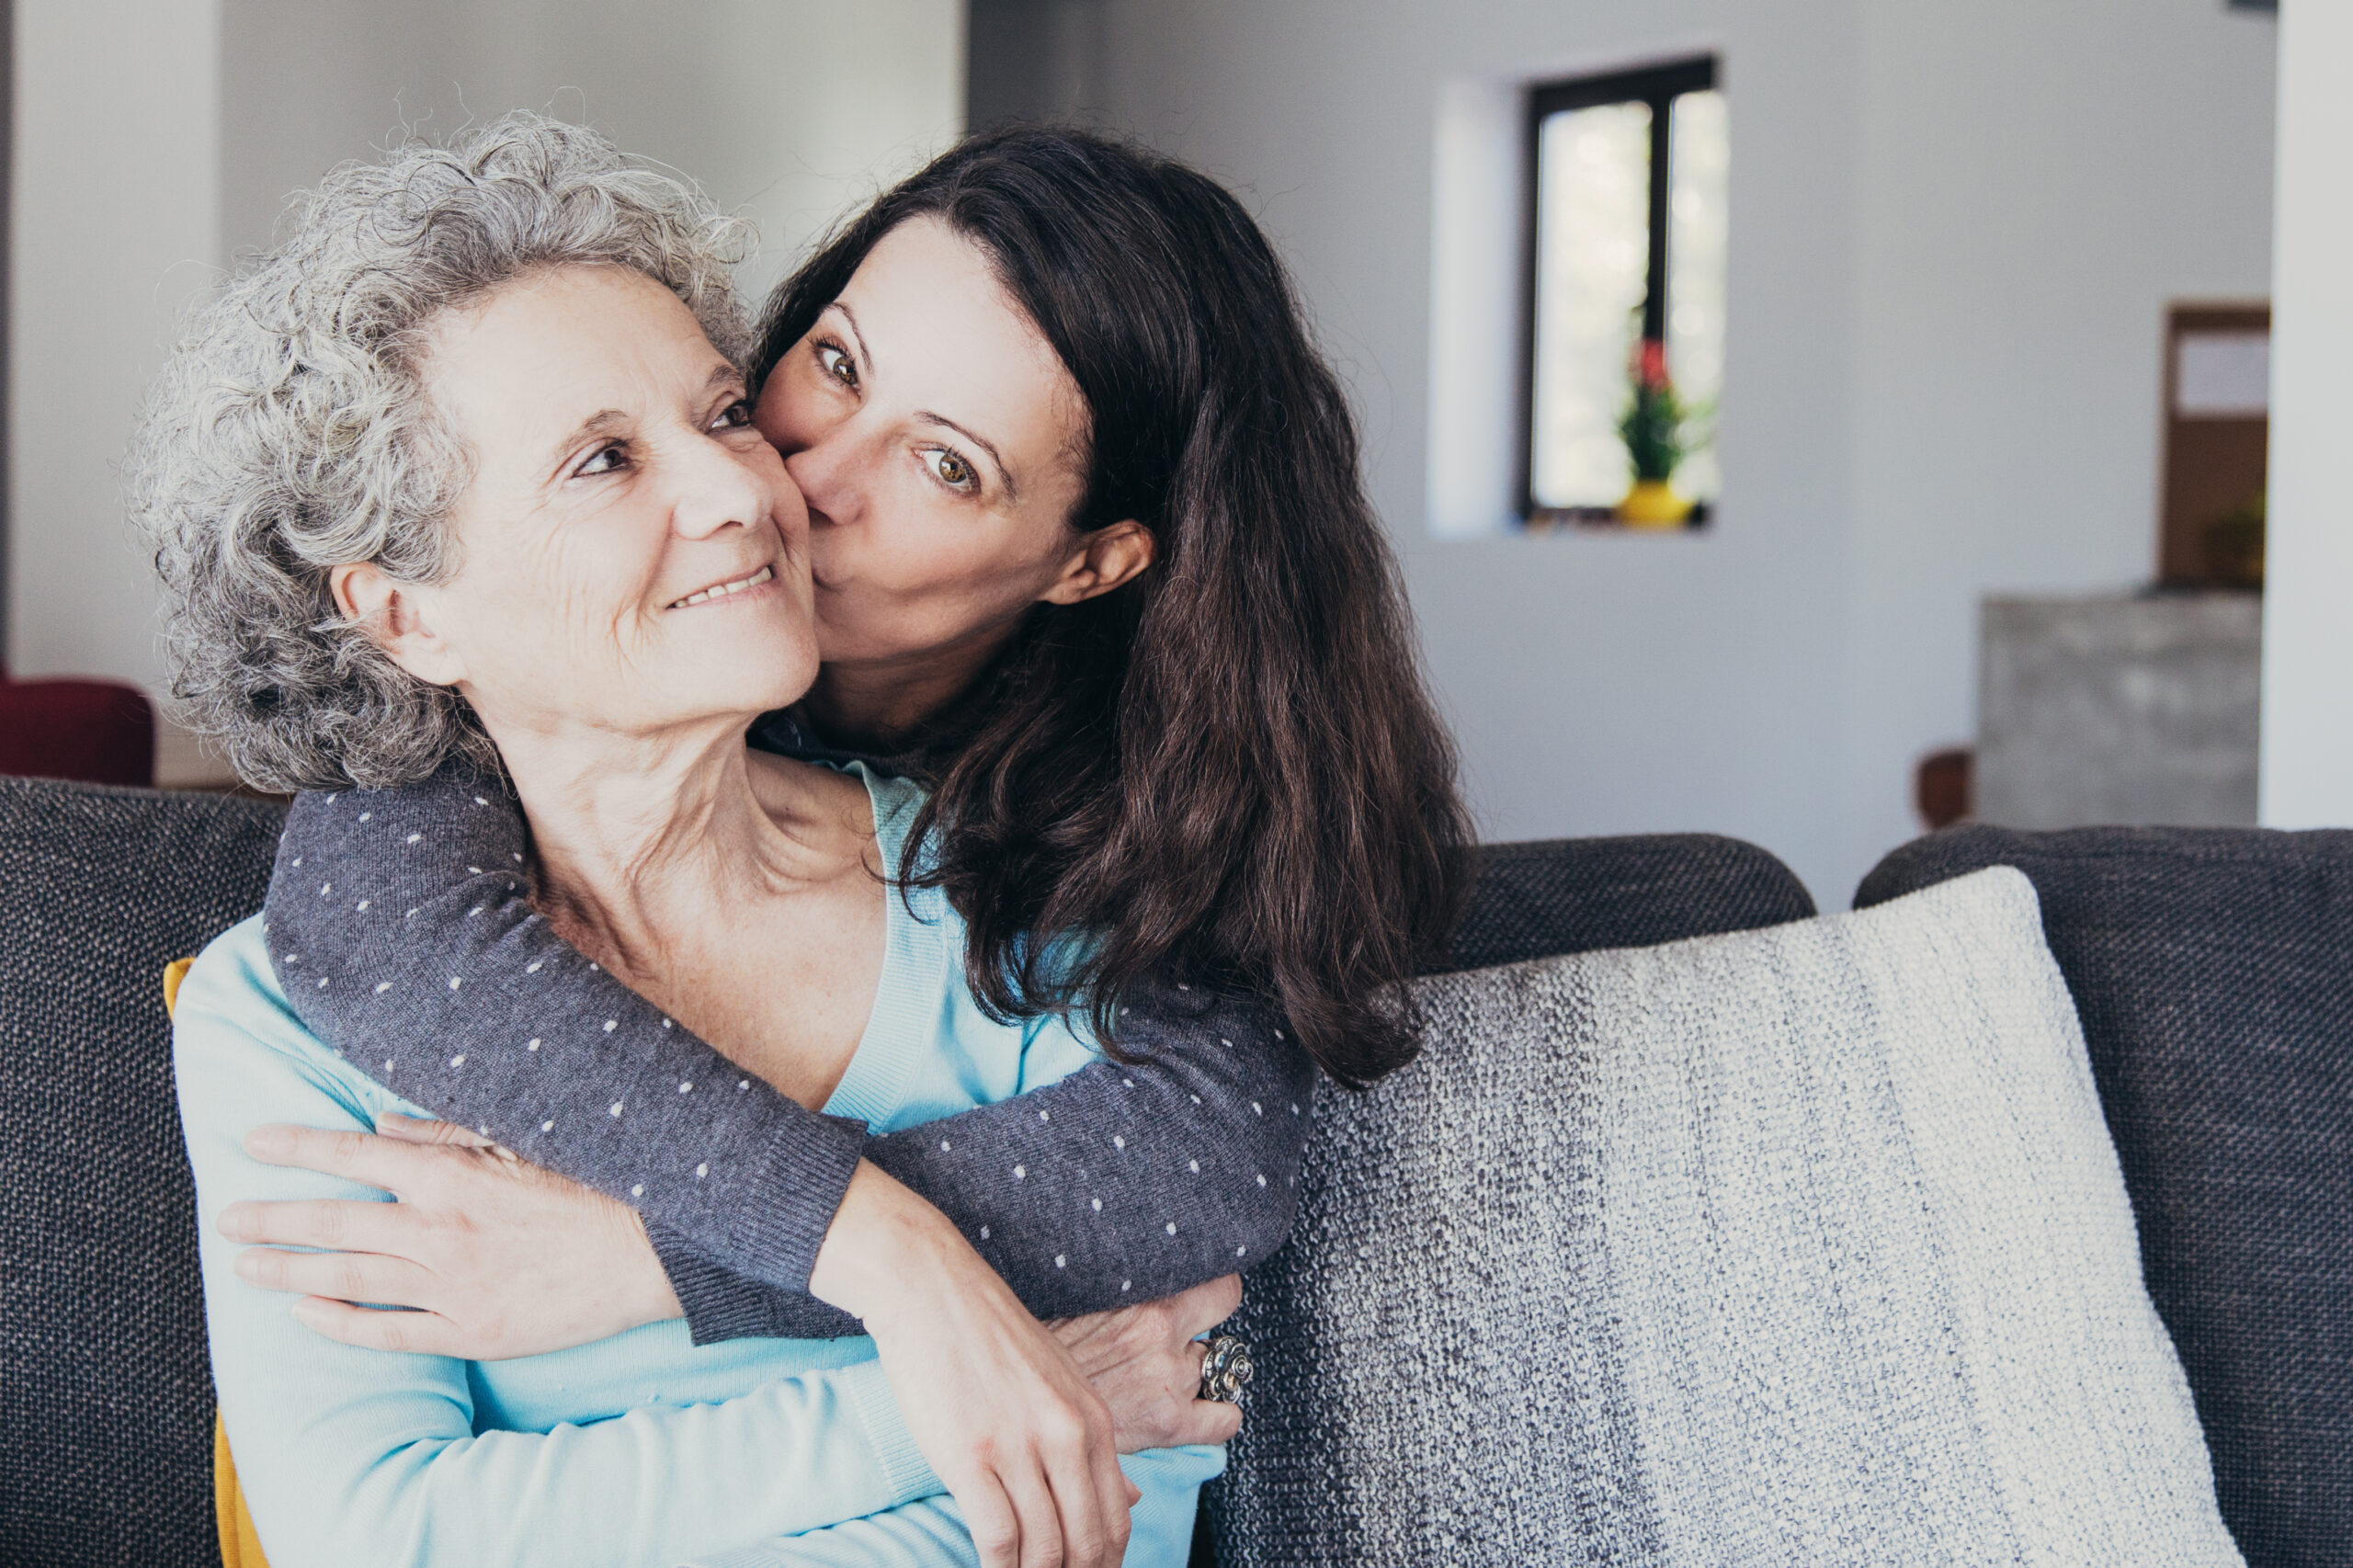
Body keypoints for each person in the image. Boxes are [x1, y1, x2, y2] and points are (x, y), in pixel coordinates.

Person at [221, 119, 1471, 1412]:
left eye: (946, 463)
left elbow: (1199, 1155)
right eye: (835, 363)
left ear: (1087, 561)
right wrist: (880, 1249)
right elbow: (370, 919)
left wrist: (664, 1258)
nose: (798, 480)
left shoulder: (1143, 809)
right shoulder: (595, 641)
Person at [143, 116, 1245, 1568]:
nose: (751, 491)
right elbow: (382, 1534)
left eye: (724, 412)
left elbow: (1126, 1479)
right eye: (604, 461)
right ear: (406, 611)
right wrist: (939, 1394)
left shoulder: (1020, 908)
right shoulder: (290, 1014)